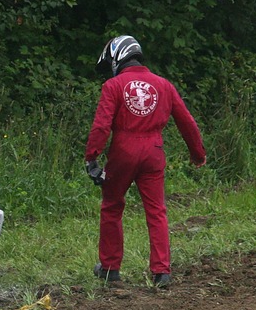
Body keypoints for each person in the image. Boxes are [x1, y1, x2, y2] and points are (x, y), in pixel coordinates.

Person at [84, 35, 206, 288]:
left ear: (117, 57)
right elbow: (187, 122)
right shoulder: (164, 85)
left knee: (112, 206)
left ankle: (110, 269)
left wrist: (92, 157)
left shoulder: (113, 86)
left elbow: (102, 125)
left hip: (123, 150)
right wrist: (198, 154)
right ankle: (162, 272)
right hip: (154, 150)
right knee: (156, 210)